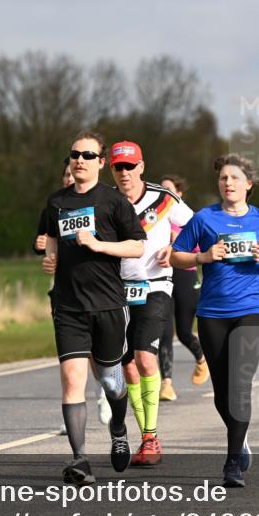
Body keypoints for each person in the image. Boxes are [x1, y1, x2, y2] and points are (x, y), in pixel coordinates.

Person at [170, 154, 259, 488]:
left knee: (238, 384)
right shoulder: (204, 219)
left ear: (249, 184)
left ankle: (232, 462)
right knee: (223, 391)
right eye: (223, 178)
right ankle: (241, 437)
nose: (228, 183)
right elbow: (176, 256)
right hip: (212, 314)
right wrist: (203, 257)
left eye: (235, 178)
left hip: (252, 311)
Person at [42, 131, 147, 484]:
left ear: (101, 163)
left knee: (110, 382)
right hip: (69, 306)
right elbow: (51, 239)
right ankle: (80, 459)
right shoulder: (56, 202)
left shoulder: (115, 202)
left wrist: (101, 246)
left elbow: (137, 247)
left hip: (108, 304)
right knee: (73, 381)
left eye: (88, 155)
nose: (80, 161)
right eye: (75, 154)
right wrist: (51, 259)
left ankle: (118, 428)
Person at [109, 142, 195, 467]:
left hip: (155, 285)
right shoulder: (106, 201)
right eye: (119, 167)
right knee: (126, 364)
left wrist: (174, 246)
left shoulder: (163, 198)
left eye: (130, 166)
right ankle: (143, 433)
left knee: (145, 357)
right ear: (112, 170)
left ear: (141, 167)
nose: (125, 173)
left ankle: (151, 437)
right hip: (115, 290)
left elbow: (195, 225)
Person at [34, 158, 111, 427]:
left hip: (98, 289)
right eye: (65, 175)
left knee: (96, 352)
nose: (69, 178)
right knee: (72, 358)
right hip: (64, 291)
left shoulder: (101, 203)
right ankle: (73, 414)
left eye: (72, 174)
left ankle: (104, 390)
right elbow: (45, 243)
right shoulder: (54, 205)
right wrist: (43, 248)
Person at [157, 175, 209, 402]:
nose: (164, 193)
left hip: (185, 276)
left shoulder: (187, 218)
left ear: (179, 194)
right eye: (161, 189)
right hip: (161, 277)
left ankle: (201, 359)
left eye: (168, 189)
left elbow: (200, 245)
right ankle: (166, 384)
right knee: (164, 332)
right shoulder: (155, 216)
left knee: (184, 332)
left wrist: (176, 239)